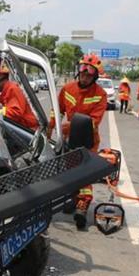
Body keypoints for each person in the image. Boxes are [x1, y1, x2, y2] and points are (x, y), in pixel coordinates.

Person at [56, 53, 108, 229]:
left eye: (89, 73)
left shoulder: (100, 95)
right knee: (70, 171)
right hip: (70, 139)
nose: (84, 75)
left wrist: (65, 128)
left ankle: (83, 206)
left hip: (88, 140)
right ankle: (73, 198)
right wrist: (50, 127)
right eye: (82, 71)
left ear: (95, 76)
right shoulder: (68, 89)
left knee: (84, 174)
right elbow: (57, 110)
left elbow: (93, 122)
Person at [0, 60, 38, 130]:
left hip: (28, 132)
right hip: (19, 129)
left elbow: (16, 114)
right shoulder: (7, 90)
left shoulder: (12, 89)